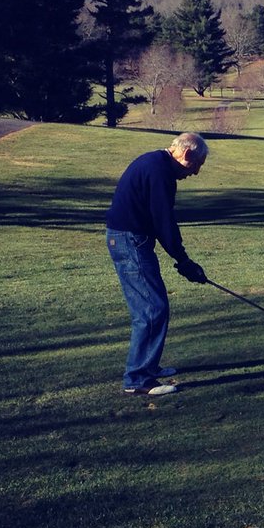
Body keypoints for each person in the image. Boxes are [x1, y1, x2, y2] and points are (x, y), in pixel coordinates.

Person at [106, 133, 210, 396]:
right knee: (152, 309)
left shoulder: (155, 162)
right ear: (187, 155)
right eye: (198, 164)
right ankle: (138, 378)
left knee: (151, 307)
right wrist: (183, 260)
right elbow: (164, 222)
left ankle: (148, 367)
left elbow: (159, 221)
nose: (196, 172)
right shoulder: (159, 172)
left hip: (128, 238)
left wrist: (181, 259)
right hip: (130, 241)